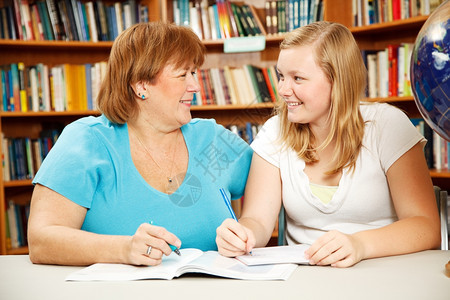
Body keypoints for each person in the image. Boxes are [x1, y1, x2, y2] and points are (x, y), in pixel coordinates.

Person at [216, 21, 441, 268]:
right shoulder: (274, 131)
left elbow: (426, 227)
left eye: (297, 78)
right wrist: (243, 234)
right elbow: (257, 220)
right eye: (281, 76)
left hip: (384, 272)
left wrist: (360, 245)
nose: (282, 89)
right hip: (303, 279)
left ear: (338, 81)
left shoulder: (387, 125)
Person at [27, 22, 253, 266]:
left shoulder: (213, 139)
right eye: (182, 75)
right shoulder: (86, 140)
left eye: (194, 73)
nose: (195, 86)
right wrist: (123, 249)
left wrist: (250, 228)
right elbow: (41, 241)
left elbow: (276, 176)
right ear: (141, 85)